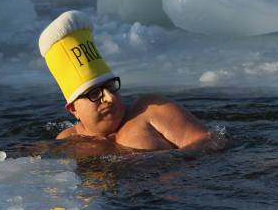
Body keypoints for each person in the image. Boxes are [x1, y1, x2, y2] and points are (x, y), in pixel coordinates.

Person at [39, 10, 211, 150]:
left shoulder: (150, 110)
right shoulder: (68, 142)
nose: (110, 98)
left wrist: (165, 164)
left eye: (111, 86)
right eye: (95, 93)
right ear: (73, 109)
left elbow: (211, 143)